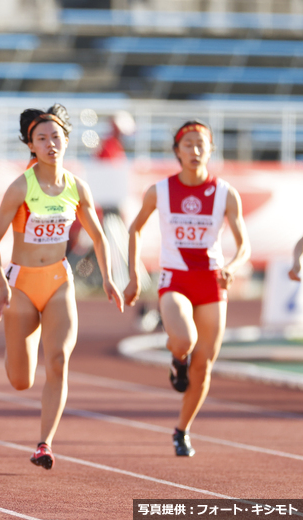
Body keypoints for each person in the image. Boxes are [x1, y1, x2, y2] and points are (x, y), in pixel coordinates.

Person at [0, 104, 123, 470]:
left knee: (59, 361)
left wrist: (109, 278)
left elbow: (98, 235)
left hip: (59, 282)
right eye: (42, 138)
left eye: (56, 137)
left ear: (66, 140)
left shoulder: (77, 187)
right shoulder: (20, 187)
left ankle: (44, 444)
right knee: (20, 380)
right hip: (22, 285)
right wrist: (1, 284)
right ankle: (17, 348)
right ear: (31, 145)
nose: (50, 144)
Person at [124, 120, 250, 457]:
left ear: (211, 149)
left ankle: (182, 430)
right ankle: (176, 358)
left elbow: (243, 245)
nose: (195, 150)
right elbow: (134, 230)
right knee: (184, 340)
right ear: (177, 151)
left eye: (201, 144)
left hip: (211, 280)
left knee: (204, 365)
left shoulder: (225, 193)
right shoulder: (160, 191)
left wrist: (232, 267)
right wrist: (135, 277)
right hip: (175, 278)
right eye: (188, 144)